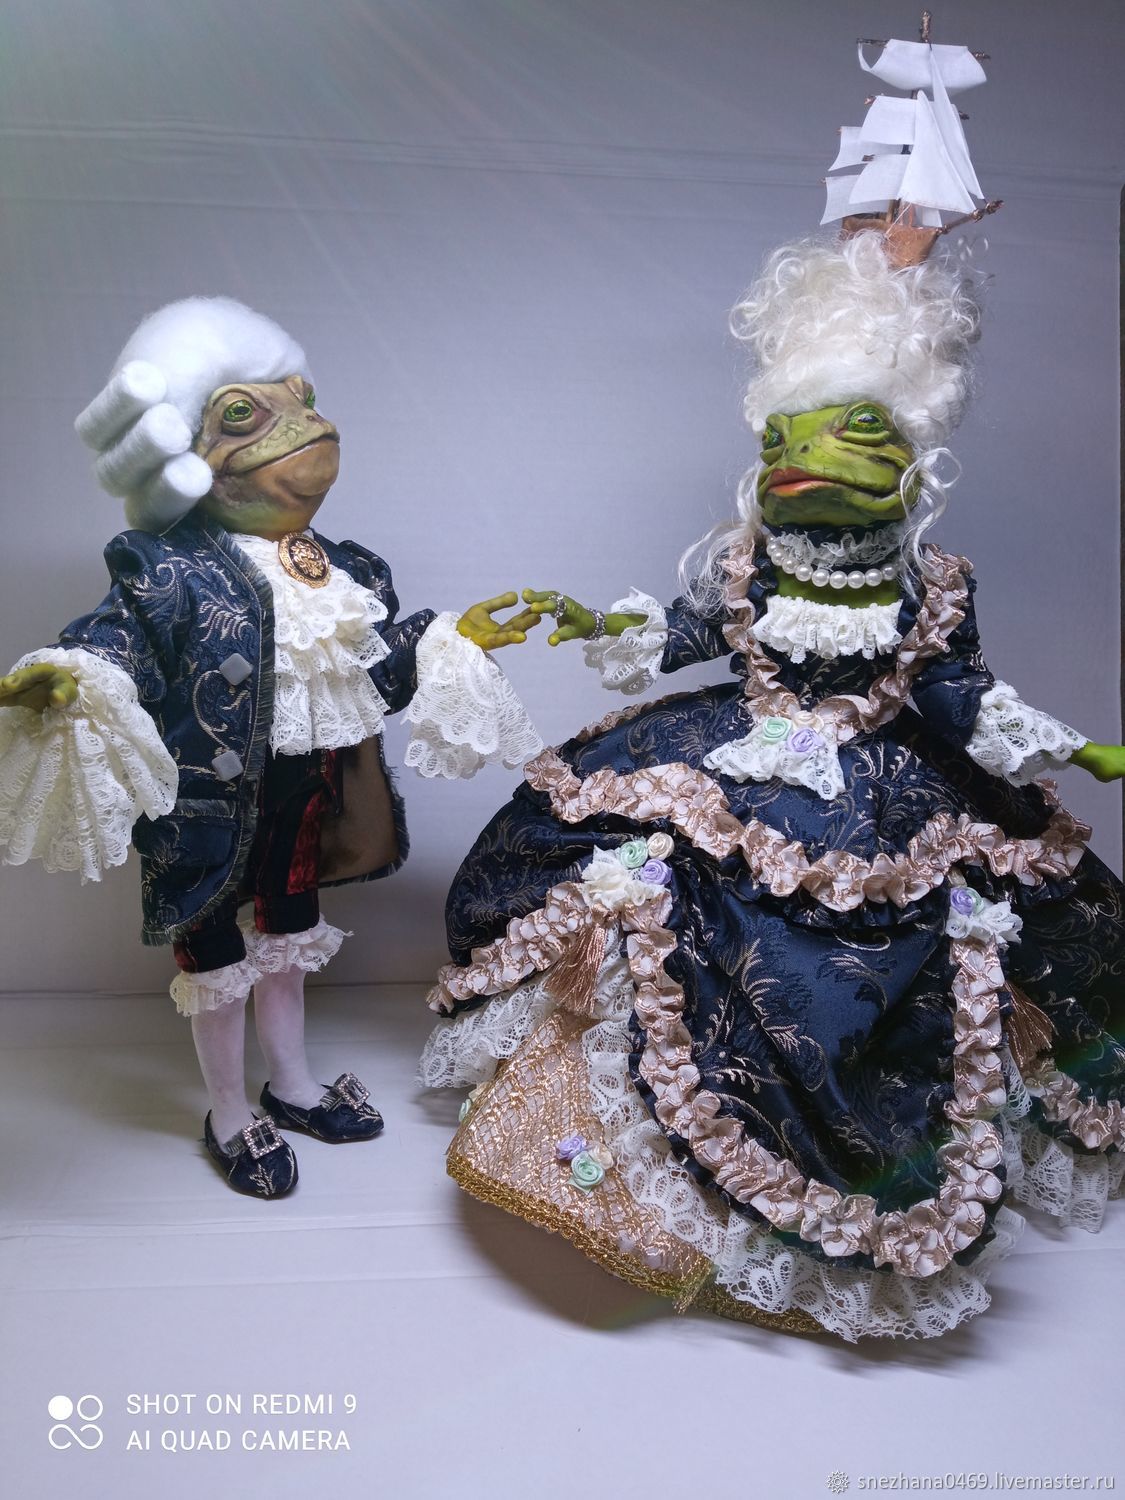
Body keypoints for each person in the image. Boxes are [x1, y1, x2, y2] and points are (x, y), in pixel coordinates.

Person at [419, 232, 1125, 1341]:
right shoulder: (749, 564)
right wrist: (592, 621)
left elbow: (954, 692)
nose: (800, 458)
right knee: (644, 882)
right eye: (783, 438)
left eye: (848, 432)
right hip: (733, 755)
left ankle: (837, 1156)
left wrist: (1069, 748)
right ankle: (621, 1154)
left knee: (891, 949)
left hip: (884, 786)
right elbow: (687, 634)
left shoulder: (933, 584)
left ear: (911, 457)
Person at [0, 296, 542, 1198]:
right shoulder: (165, 567)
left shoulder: (347, 570)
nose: (301, 420)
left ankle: (289, 1085)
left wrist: (446, 641)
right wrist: (67, 673)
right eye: (248, 413)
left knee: (287, 943)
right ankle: (227, 1112)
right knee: (216, 964)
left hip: (305, 801)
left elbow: (366, 683)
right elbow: (114, 641)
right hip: (203, 815)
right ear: (190, 456)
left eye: (301, 398)